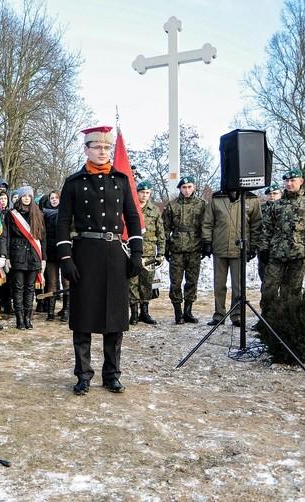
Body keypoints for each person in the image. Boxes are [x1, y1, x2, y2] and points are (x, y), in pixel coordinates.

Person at [56, 126, 143, 395]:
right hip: (84, 255)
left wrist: (137, 253)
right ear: (86, 149)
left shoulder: (121, 180)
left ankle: (112, 374)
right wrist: (66, 258)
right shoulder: (73, 182)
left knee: (114, 318)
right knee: (83, 318)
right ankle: (83, 374)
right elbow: (62, 222)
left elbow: (132, 217)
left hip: (114, 254)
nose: (103, 152)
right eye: (97, 147)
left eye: (107, 148)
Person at [259, 168, 305, 317]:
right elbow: (266, 228)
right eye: (287, 181)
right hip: (276, 254)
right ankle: (268, 321)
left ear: (301, 181)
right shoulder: (276, 205)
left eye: (293, 180)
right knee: (269, 288)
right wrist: (264, 249)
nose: (289, 184)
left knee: (292, 291)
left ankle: (289, 323)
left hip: (298, 254)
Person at [201, 188, 262, 327]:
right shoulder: (217, 199)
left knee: (238, 285)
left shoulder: (251, 199)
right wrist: (207, 242)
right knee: (219, 285)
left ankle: (236, 315)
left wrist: (253, 246)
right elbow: (208, 222)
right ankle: (219, 315)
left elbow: (256, 224)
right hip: (220, 247)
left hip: (239, 250)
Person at [162, 175, 207, 324]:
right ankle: (178, 313)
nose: (187, 190)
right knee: (175, 282)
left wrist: (207, 244)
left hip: (195, 248)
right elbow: (165, 228)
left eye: (189, 187)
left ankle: (188, 311)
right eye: (184, 187)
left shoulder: (202, 205)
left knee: (192, 281)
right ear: (180, 189)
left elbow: (206, 226)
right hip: (177, 248)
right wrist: (166, 248)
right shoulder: (172, 205)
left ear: (194, 187)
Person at [5, 186, 46, 329]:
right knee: (18, 288)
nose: (27, 198)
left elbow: (42, 238)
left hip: (34, 256)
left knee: (30, 289)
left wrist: (43, 258)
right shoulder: (12, 215)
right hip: (17, 256)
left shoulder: (39, 214)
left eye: (29, 195)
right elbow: (7, 236)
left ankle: (28, 318)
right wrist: (6, 256)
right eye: (24, 196)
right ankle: (19, 319)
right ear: (20, 197)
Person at [128, 180, 165, 325]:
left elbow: (160, 233)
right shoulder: (131, 208)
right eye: (142, 192)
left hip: (149, 253)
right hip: (132, 252)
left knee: (146, 283)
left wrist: (161, 253)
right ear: (137, 193)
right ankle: (134, 313)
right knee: (132, 283)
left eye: (147, 193)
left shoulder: (154, 211)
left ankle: (145, 312)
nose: (145, 195)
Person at [40, 190, 68, 322]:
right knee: (52, 282)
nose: (54, 200)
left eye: (57, 198)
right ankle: (50, 311)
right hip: (50, 252)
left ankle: (66, 310)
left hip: (64, 251)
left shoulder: (66, 213)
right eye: (52, 198)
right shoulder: (43, 214)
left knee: (66, 281)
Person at [258, 182, 282, 282]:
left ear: (280, 194)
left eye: (275, 193)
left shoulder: (285, 207)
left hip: (281, 247)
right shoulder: (260, 209)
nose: (272, 196)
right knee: (264, 276)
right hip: (264, 247)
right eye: (269, 194)